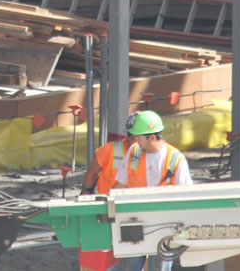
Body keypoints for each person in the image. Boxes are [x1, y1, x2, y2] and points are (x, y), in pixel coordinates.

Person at [79, 110, 191, 271]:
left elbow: (186, 198)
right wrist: (104, 207)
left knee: (159, 267)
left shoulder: (176, 160)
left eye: (139, 137)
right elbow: (120, 186)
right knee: (129, 267)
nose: (135, 141)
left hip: (164, 226)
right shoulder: (134, 153)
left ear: (152, 137)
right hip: (134, 222)